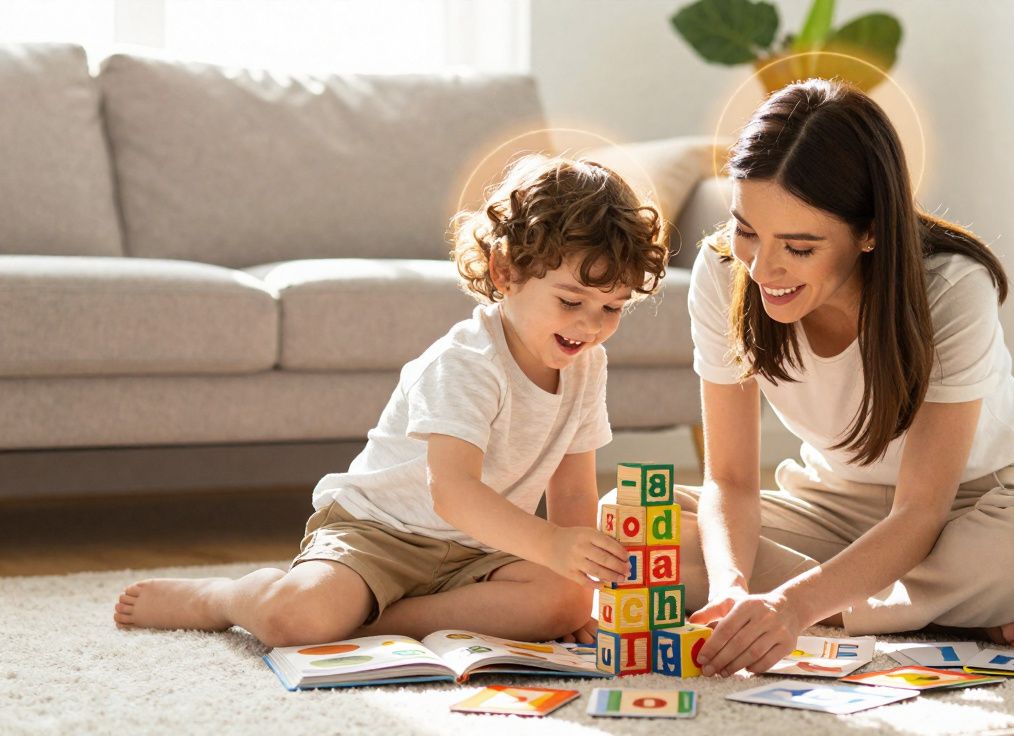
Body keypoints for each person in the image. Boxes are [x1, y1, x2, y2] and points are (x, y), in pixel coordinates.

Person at [115, 155, 669, 647]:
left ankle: (366, 626)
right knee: (294, 618)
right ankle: (223, 598)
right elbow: (453, 493)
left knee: (565, 601)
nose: (590, 326)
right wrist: (550, 545)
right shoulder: (467, 362)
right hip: (379, 534)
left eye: (612, 308)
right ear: (506, 273)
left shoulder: (586, 366)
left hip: (485, 550)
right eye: (571, 301)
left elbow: (571, 491)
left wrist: (577, 570)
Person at [667, 79, 1014, 676]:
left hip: (970, 506)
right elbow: (732, 480)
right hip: (833, 507)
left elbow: (921, 511)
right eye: (747, 230)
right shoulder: (723, 273)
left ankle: (842, 599)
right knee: (638, 526)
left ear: (870, 230)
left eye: (799, 247)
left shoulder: (951, 287)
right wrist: (729, 589)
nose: (763, 268)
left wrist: (793, 607)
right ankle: (929, 607)